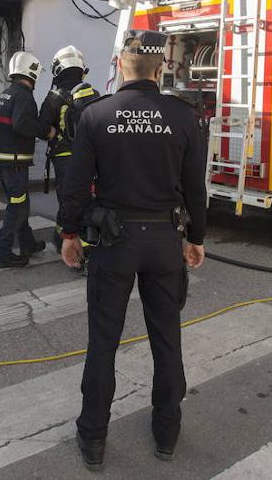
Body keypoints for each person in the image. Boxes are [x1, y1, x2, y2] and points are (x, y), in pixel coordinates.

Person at [57, 29, 208, 470]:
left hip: (113, 242)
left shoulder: (96, 114)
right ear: (160, 68)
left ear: (121, 64)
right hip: (163, 242)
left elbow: (75, 184)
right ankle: (167, 433)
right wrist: (195, 238)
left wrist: (69, 234)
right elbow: (195, 189)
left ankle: (94, 439)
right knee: (167, 340)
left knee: (102, 343)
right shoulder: (183, 117)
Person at [0, 51, 56, 268]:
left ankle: (27, 243)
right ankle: (2, 253)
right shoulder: (24, 95)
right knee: (17, 208)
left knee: (20, 203)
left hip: (3, 159)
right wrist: (47, 131)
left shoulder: (7, 93)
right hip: (14, 161)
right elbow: (22, 124)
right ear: (31, 73)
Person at [39, 45, 102, 273]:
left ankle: (73, 247)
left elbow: (41, 127)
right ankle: (67, 239)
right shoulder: (91, 93)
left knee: (69, 199)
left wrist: (54, 134)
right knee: (84, 198)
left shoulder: (54, 97)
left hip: (63, 157)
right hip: (89, 156)